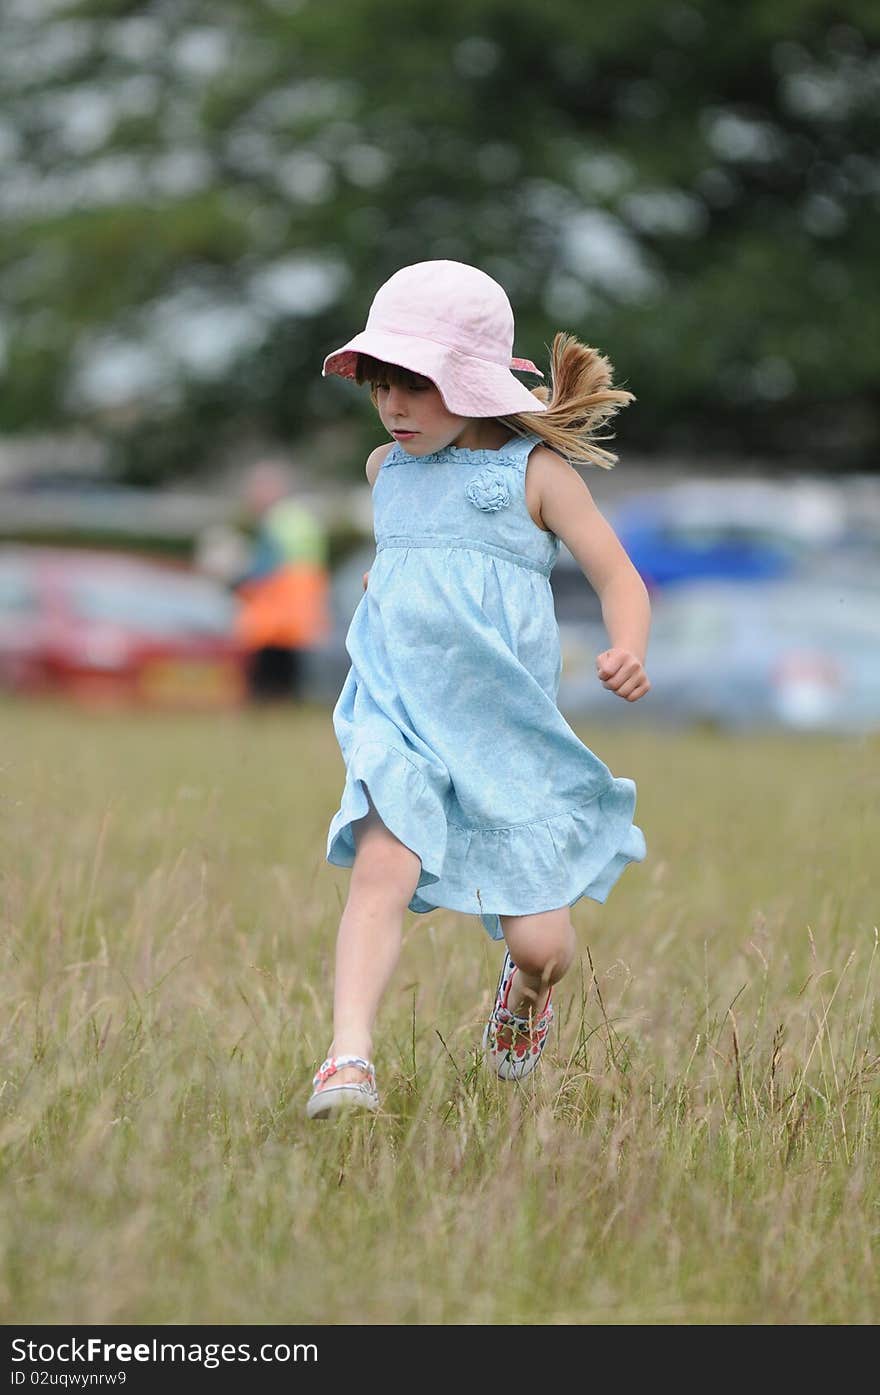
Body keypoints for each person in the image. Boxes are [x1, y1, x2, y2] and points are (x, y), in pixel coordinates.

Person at [307, 260, 651, 1120]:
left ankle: (524, 997)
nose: (394, 407)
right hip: (402, 719)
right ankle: (347, 1060)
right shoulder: (385, 471)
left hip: (505, 735)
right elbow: (404, 575)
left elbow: (619, 578)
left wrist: (629, 646)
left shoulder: (536, 475)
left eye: (416, 387)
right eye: (382, 385)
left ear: (471, 383)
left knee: (544, 946)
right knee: (382, 867)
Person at [233, 460, 331, 703]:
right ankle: (289, 698)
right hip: (301, 602)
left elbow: (266, 564)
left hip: (278, 601)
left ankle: (268, 699)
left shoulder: (277, 520)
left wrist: (242, 582)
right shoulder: (301, 517)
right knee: (291, 657)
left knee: (270, 657)